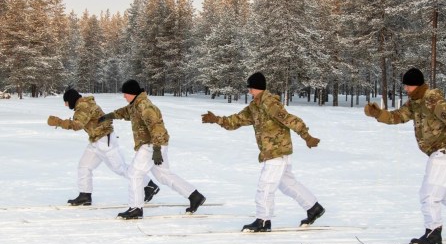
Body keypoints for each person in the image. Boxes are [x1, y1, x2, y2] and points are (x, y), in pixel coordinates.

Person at [201, 72, 325, 232]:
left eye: (250, 88)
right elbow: (236, 120)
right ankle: (314, 207)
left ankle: (263, 220)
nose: (249, 91)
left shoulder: (270, 104)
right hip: (276, 153)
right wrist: (217, 119)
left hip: (276, 152)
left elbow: (290, 120)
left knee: (265, 186)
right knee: (287, 184)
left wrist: (307, 136)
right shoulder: (254, 107)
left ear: (258, 88)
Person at [364, 68, 446, 244]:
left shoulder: (432, 99)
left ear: (416, 85)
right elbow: (397, 116)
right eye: (405, 85)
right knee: (444, 196)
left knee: (429, 195)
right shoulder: (414, 103)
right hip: (438, 152)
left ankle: (433, 232)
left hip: (443, 151)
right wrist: (378, 113)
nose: (406, 89)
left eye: (408, 85)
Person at [99, 79, 206, 219]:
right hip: (153, 144)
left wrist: (156, 150)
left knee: (134, 174)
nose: (124, 96)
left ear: (132, 93)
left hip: (152, 145)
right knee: (163, 175)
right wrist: (109, 116)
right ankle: (194, 196)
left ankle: (136, 208)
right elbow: (125, 112)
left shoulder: (146, 107)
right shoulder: (135, 105)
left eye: (125, 93)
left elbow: (157, 128)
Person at [47, 89, 160, 206]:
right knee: (84, 166)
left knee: (120, 168)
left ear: (71, 99)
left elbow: (77, 125)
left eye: (66, 102)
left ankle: (149, 185)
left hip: (105, 140)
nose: (65, 105)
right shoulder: (82, 104)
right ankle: (84, 195)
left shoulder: (84, 106)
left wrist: (58, 122)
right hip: (96, 141)